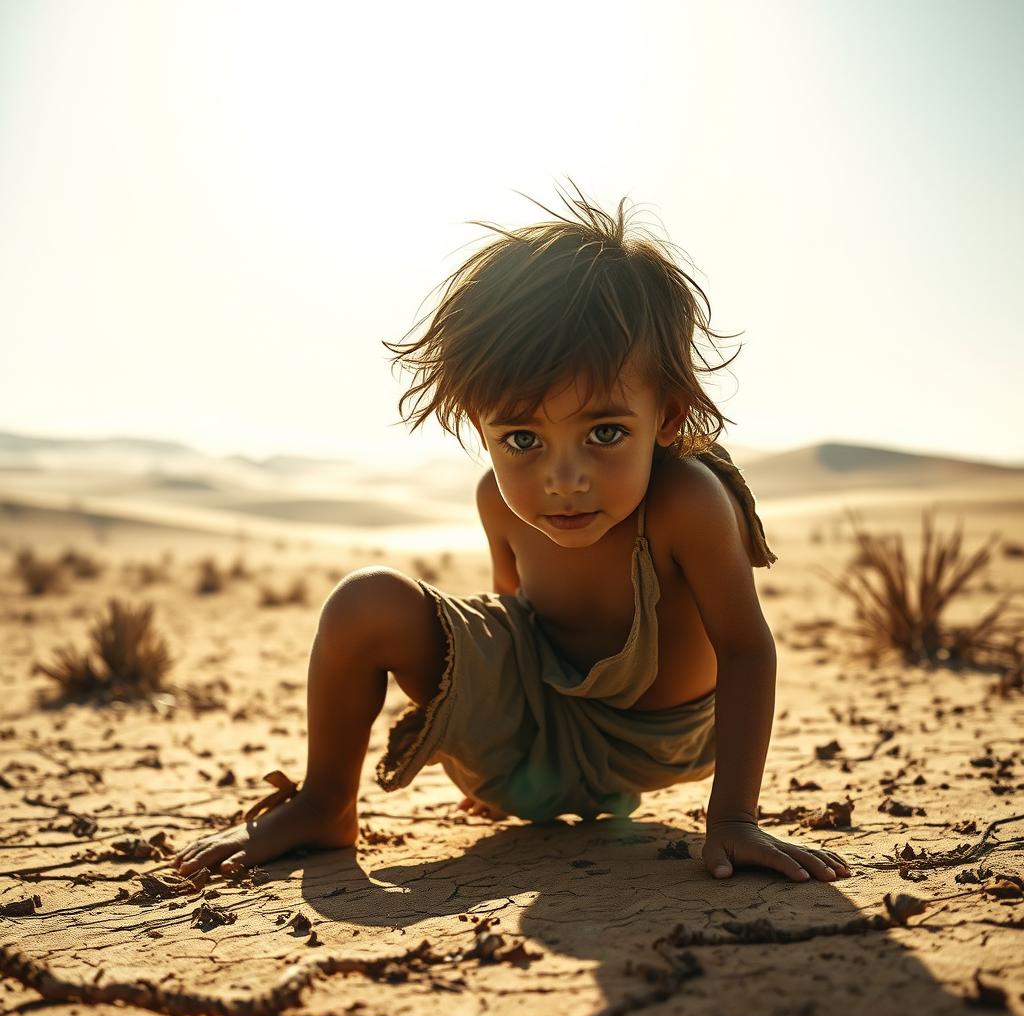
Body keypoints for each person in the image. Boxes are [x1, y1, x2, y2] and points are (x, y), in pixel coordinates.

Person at [173, 182, 851, 885]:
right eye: (522, 437)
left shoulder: (687, 503)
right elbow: (513, 626)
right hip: (541, 745)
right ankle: (324, 803)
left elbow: (746, 649)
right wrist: (482, 722)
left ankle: (674, 806)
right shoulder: (498, 500)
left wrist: (734, 818)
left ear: (670, 419)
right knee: (363, 602)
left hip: (660, 746)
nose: (564, 478)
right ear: (479, 425)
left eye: (605, 432)